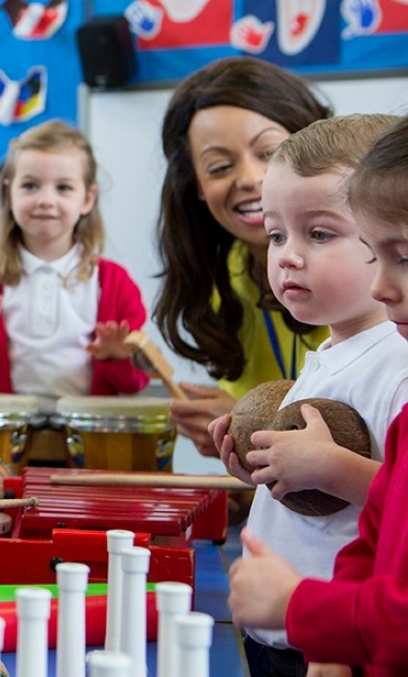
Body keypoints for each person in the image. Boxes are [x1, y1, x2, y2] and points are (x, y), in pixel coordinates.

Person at [213, 114, 408, 677]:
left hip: (331, 642)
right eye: (276, 235)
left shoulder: (396, 363)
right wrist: (270, 467)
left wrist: (331, 468)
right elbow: (317, 501)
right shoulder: (326, 354)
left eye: (319, 234)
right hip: (279, 631)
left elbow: (397, 502)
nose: (287, 255)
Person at [154, 57, 333, 458]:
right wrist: (235, 449)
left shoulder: (367, 269)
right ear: (196, 186)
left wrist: (249, 421)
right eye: (219, 166)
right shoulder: (223, 278)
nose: (250, 178)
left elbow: (374, 433)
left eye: (269, 152)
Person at [0, 119, 150, 407]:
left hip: (87, 444)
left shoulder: (115, 284)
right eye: (30, 186)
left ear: (87, 199)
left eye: (63, 188)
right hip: (7, 442)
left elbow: (136, 383)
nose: (46, 200)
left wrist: (117, 357)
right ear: (8, 194)